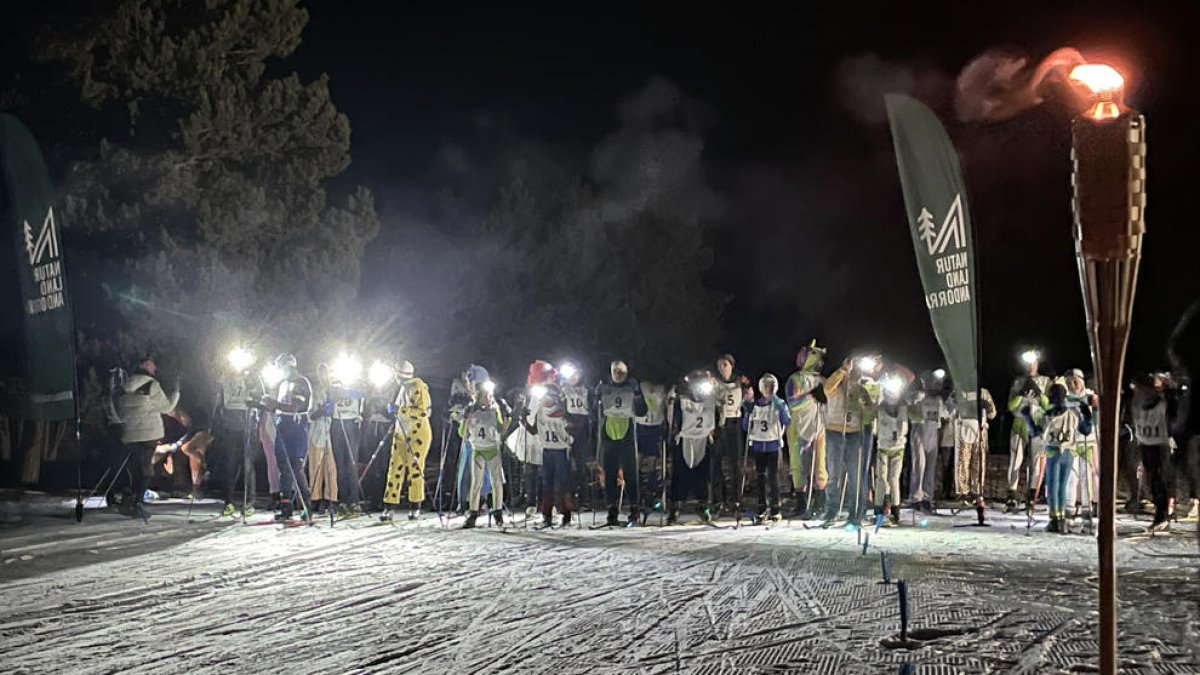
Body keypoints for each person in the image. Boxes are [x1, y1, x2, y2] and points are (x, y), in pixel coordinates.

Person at [112, 354, 180, 519]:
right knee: (146, 470)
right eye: (152, 365)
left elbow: (117, 405)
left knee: (134, 466)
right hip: (148, 433)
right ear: (147, 364)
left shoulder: (124, 385)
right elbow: (166, 407)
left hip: (128, 433)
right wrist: (176, 392)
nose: (155, 368)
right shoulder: (151, 385)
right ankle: (136, 503)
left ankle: (129, 498)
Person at [1022, 382, 1094, 533]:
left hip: (1053, 450)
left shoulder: (1048, 415)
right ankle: (1061, 520)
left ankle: (1054, 519)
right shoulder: (1074, 413)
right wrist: (1087, 415)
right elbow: (1086, 430)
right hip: (1068, 451)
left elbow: (1035, 432)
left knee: (1052, 486)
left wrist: (1027, 416)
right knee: (1062, 485)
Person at [595, 360, 648, 526]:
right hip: (608, 430)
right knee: (610, 472)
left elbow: (642, 411)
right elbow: (593, 409)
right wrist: (595, 395)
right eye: (615, 371)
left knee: (630, 472)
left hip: (627, 430)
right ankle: (611, 510)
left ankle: (634, 508)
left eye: (621, 372)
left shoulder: (631, 387)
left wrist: (638, 394)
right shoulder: (605, 386)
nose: (618, 375)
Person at [822, 357, 874, 524]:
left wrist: (866, 407)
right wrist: (842, 370)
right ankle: (831, 510)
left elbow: (870, 412)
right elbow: (827, 387)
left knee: (855, 475)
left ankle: (856, 511)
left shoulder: (861, 390)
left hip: (854, 434)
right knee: (834, 474)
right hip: (835, 432)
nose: (856, 374)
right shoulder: (836, 387)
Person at [262, 353, 313, 521]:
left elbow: (295, 406)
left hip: (296, 427)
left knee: (295, 466)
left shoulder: (301, 382)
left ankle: (307, 505)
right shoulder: (283, 384)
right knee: (283, 467)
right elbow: (279, 407)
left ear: (289, 366)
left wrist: (274, 404)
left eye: (281, 367)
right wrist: (263, 404)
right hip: (282, 426)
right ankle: (286, 507)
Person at [380, 360, 432, 521]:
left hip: (417, 434)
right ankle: (389, 505)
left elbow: (423, 412)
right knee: (395, 468)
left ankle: (415, 505)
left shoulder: (418, 387)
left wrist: (400, 410)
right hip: (401, 433)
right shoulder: (402, 388)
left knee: (415, 470)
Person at [1129, 373, 1182, 530]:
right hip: (1146, 442)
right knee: (1152, 479)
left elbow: (1175, 411)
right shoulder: (1138, 400)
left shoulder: (1164, 399)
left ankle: (1163, 514)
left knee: (1162, 478)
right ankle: (1160, 513)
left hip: (1161, 442)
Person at [668, 370, 720, 524]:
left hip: (703, 438)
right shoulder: (682, 397)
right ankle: (675, 505)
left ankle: (702, 504)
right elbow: (674, 416)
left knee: (702, 473)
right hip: (686, 438)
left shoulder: (710, 398)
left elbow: (715, 414)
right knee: (680, 472)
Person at [525, 372, 576, 528]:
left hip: (560, 451)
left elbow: (571, 433)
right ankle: (546, 514)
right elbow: (533, 430)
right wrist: (523, 419)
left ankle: (566, 513)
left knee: (562, 483)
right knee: (547, 483)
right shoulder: (541, 413)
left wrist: (570, 426)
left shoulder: (561, 414)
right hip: (547, 450)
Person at [786, 341, 828, 518]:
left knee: (820, 465)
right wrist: (810, 395)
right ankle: (801, 503)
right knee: (798, 465)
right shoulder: (795, 379)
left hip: (819, 426)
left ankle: (821, 501)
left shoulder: (824, 381)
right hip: (798, 426)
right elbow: (793, 402)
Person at [213, 362, 260, 517]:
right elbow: (218, 398)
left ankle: (249, 502)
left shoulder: (250, 376)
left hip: (246, 420)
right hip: (230, 422)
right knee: (229, 464)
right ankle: (229, 501)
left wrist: (252, 384)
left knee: (247, 464)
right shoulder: (225, 376)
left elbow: (259, 394)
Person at [1007, 353, 1051, 513]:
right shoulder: (1018, 381)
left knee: (1035, 461)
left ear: (1038, 365)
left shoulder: (1045, 381)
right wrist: (1020, 394)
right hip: (1020, 423)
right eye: (1028, 364)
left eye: (1034, 364)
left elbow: (1048, 406)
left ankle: (1032, 494)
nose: (1031, 367)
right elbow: (1011, 406)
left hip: (1037, 424)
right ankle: (1012, 493)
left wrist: (1040, 394)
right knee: (1016, 460)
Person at [462, 383, 510, 528]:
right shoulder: (471, 410)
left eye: (490, 395)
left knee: (497, 482)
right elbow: (462, 433)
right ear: (479, 397)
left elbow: (501, 429)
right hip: (478, 450)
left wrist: (507, 416)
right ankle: (473, 513)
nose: (488, 398)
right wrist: (466, 421)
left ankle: (498, 512)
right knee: (476, 483)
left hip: (492, 449)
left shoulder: (494, 409)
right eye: (485, 396)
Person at [743, 374, 790, 522]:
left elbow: (786, 419)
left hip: (773, 444)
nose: (767, 390)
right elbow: (745, 426)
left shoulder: (778, 404)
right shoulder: (756, 406)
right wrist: (747, 408)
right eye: (765, 386)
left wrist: (778, 403)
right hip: (758, 444)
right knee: (761, 477)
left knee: (774, 477)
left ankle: (776, 507)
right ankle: (762, 506)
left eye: (770, 387)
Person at [873, 372, 914, 525]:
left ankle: (896, 512)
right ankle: (878, 509)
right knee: (881, 480)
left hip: (898, 448)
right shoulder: (880, 408)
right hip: (883, 447)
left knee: (893, 479)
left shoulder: (903, 408)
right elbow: (871, 418)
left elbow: (916, 417)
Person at [1063, 369, 1099, 529]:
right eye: (1070, 381)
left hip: (1087, 442)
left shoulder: (1090, 396)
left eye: (1076, 380)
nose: (1074, 384)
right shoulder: (1065, 399)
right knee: (1072, 476)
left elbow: (1097, 418)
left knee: (1086, 477)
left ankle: (1087, 511)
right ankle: (1069, 511)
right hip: (1071, 443)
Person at [909, 371, 948, 514]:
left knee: (930, 468)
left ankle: (927, 498)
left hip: (932, 435)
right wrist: (916, 398)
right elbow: (909, 406)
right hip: (919, 433)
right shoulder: (918, 397)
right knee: (919, 466)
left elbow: (946, 414)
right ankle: (915, 498)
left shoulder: (938, 400)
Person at [453, 365, 491, 513]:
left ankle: (482, 501)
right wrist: (458, 417)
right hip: (470, 442)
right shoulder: (467, 401)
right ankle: (462, 502)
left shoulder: (489, 401)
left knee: (484, 472)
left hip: (484, 443)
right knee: (465, 472)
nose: (471, 387)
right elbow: (462, 426)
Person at [950, 388, 997, 503]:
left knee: (979, 462)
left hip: (980, 431)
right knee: (963, 462)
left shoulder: (984, 393)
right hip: (963, 429)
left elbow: (992, 414)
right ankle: (962, 492)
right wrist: (958, 403)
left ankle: (977, 491)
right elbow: (949, 412)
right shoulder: (958, 391)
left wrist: (988, 406)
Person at [329, 372, 366, 517]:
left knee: (351, 464)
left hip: (351, 422)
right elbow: (330, 397)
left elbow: (361, 394)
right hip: (337, 422)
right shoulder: (334, 386)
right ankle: (343, 500)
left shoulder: (355, 385)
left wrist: (346, 390)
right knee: (340, 466)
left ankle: (354, 501)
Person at [712, 354, 745, 513]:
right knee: (716, 463)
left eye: (725, 364)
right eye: (720, 365)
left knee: (735, 464)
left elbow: (749, 397)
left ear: (731, 366)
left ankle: (736, 499)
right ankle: (719, 499)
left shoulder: (740, 382)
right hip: (720, 423)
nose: (722, 368)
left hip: (734, 423)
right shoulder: (715, 383)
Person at [559, 363, 593, 511]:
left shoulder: (586, 389)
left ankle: (585, 501)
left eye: (575, 374)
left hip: (582, 427)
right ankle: (566, 500)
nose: (572, 378)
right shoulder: (563, 388)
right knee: (565, 467)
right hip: (567, 426)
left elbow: (591, 408)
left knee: (581, 466)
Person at [307, 363, 338, 518]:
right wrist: (318, 412)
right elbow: (310, 413)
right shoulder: (315, 389)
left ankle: (330, 498)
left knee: (330, 467)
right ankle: (315, 497)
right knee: (315, 465)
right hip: (317, 430)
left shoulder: (335, 389)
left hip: (332, 430)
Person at [636, 379, 669, 516]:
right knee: (637, 458)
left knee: (652, 460)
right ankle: (637, 491)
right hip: (640, 425)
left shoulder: (661, 388)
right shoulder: (640, 386)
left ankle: (651, 491)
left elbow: (666, 406)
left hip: (655, 426)